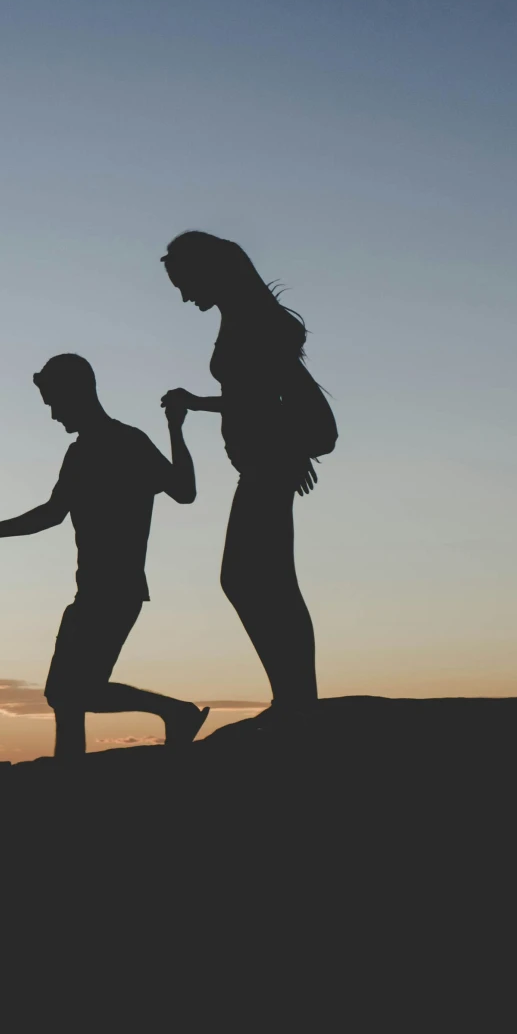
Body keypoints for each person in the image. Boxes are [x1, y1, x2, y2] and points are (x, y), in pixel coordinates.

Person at [0, 354, 210, 760]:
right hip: (92, 590)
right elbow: (52, 514)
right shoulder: (82, 452)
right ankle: (71, 766)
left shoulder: (127, 442)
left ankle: (175, 712)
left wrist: (176, 429)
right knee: (63, 695)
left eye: (54, 402)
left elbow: (184, 491)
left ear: (78, 394)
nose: (53, 415)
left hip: (116, 590)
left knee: (78, 691)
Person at [159, 231, 333, 720]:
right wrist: (199, 403)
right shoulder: (237, 318)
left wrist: (289, 450)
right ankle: (294, 696)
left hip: (266, 468)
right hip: (259, 466)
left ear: (209, 271)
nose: (182, 294)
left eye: (184, 282)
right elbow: (251, 396)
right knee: (263, 580)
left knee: (253, 579)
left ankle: (296, 699)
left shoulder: (253, 323)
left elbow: (291, 403)